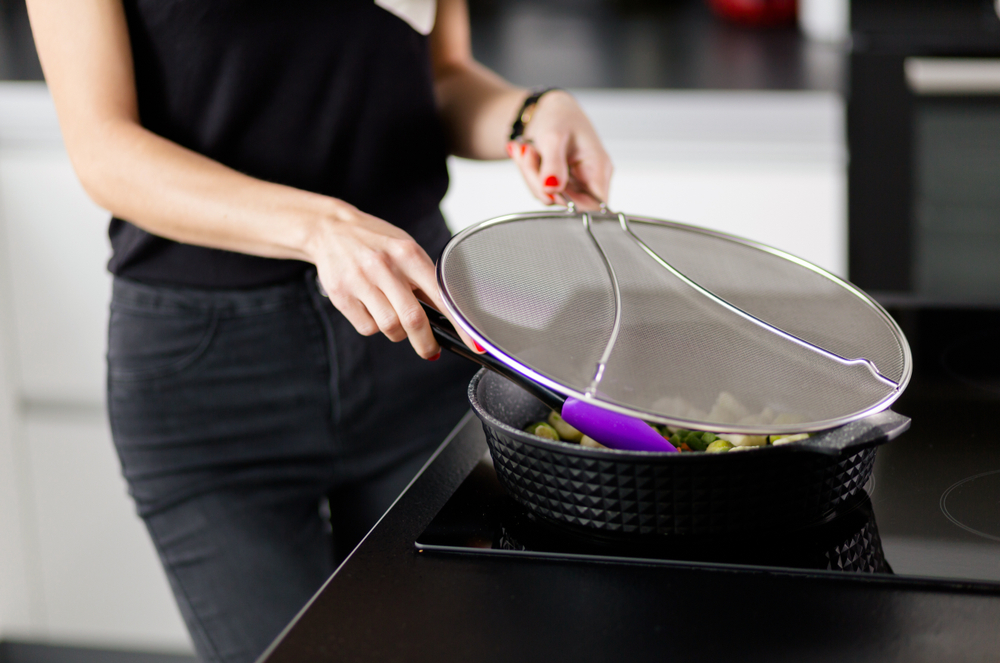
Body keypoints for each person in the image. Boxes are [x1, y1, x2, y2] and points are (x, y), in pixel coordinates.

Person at [26, 1, 613, 661]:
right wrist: (318, 227)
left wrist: (529, 115)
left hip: (416, 340)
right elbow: (104, 148)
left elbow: (440, 74)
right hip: (210, 380)